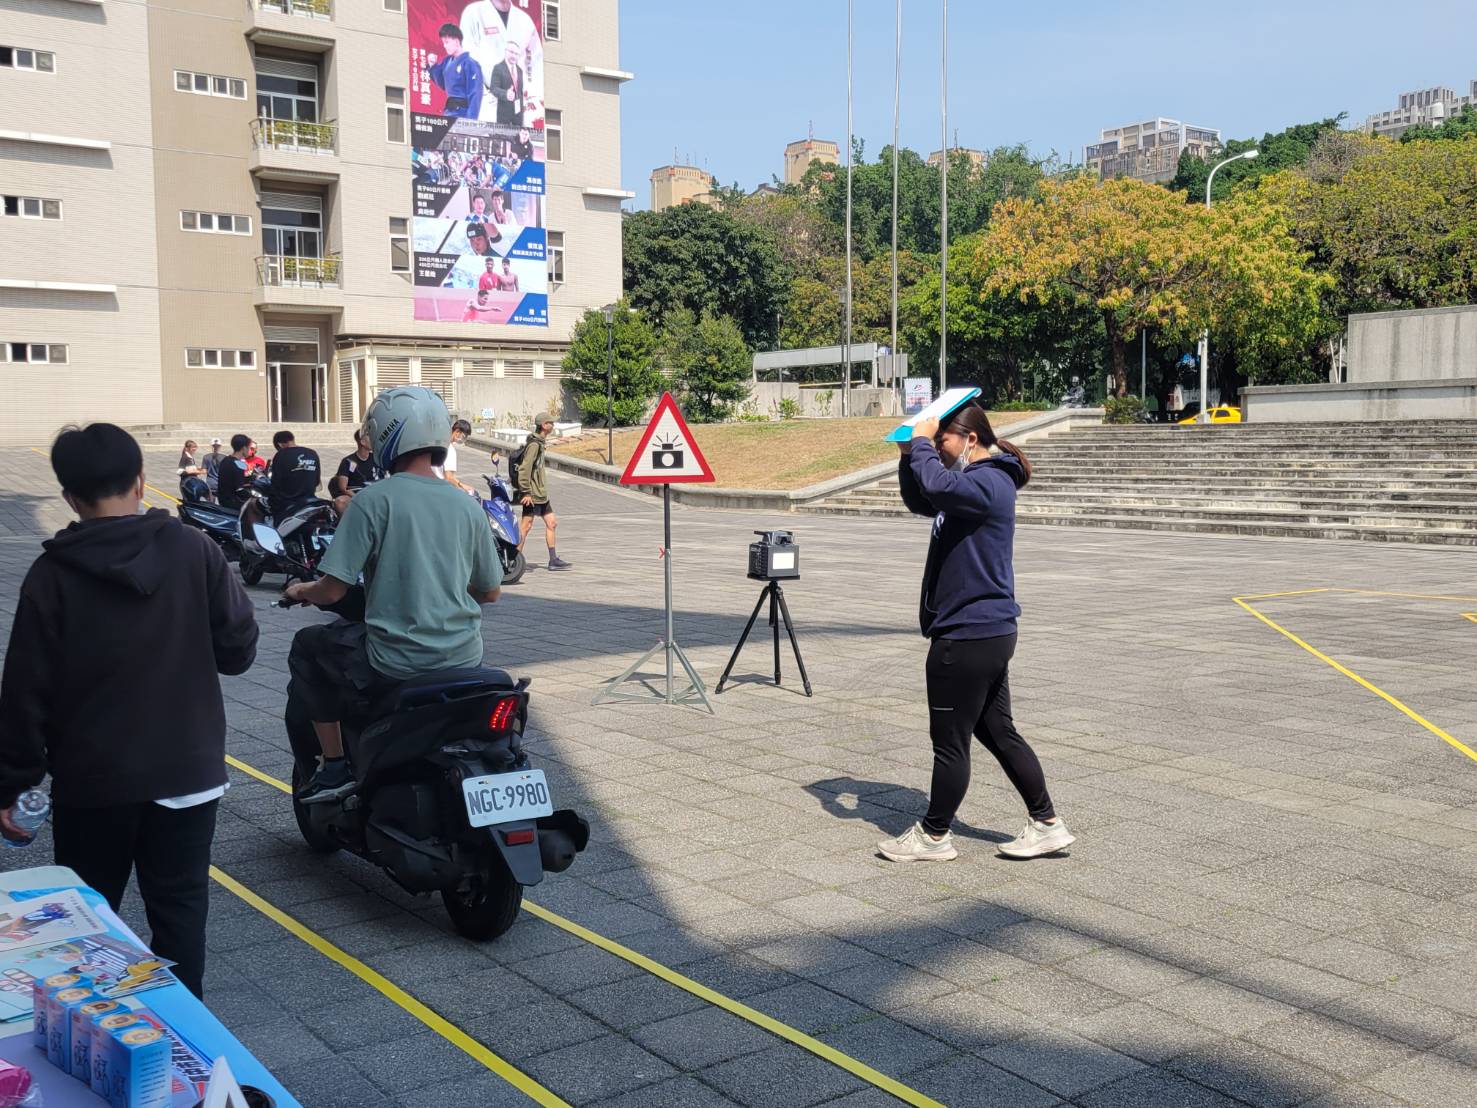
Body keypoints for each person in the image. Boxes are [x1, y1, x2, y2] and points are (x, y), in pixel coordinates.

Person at [0, 424, 258, 998]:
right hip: (187, 774)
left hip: (93, 782)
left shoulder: (52, 574)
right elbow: (238, 651)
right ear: (143, 481)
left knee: (89, 921)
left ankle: (97, 1044)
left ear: (69, 496)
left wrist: (13, 784)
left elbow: (23, 690)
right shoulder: (196, 549)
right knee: (180, 913)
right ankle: (185, 1056)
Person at [283, 388, 502, 802]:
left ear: (384, 435)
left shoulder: (372, 502)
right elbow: (490, 592)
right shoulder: (467, 505)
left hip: (395, 660)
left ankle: (333, 767)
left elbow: (332, 590)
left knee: (308, 646)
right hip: (464, 657)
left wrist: (300, 589)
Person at [877, 403, 1072, 863]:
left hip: (968, 634)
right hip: (985, 631)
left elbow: (939, 484)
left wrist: (922, 442)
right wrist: (911, 454)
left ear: (969, 438)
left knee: (949, 741)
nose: (939, 452)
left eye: (943, 442)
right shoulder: (976, 483)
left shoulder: (988, 482)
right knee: (998, 730)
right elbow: (924, 499)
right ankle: (1046, 823)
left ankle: (934, 835)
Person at [460, 0, 543, 124]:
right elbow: (468, 57)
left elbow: (536, 62)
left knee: (519, 137)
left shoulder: (524, 20)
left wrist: (532, 95)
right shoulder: (473, 13)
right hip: (486, 103)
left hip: (521, 104)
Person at [515, 413, 570, 570]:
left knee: (552, 523)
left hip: (541, 495)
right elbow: (524, 469)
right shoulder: (534, 445)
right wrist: (526, 492)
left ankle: (553, 560)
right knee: (525, 526)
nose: (552, 425)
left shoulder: (540, 442)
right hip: (532, 495)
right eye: (550, 423)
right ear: (543, 425)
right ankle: (514, 560)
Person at [425, 24, 483, 120]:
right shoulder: (447, 61)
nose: (444, 46)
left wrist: (471, 121)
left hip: (463, 113)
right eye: (443, 43)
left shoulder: (470, 64)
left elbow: (475, 94)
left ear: (456, 41)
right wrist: (432, 65)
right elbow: (442, 83)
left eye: (447, 42)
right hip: (449, 112)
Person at [266, 431, 322, 520]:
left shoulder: (281, 455)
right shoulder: (312, 453)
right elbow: (316, 480)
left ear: (280, 445)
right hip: (310, 500)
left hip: (288, 503)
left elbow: (276, 482)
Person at [329, 429, 386, 517]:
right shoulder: (348, 461)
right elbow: (343, 488)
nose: (374, 439)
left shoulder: (377, 458)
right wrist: (359, 498)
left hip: (376, 494)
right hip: (356, 496)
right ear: (362, 442)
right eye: (370, 437)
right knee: (340, 502)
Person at [486, 42, 525, 126]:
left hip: (518, 114)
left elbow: (520, 92)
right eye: (511, 52)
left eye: (516, 54)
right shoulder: (498, 68)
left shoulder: (520, 70)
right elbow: (493, 88)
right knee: (503, 137)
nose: (514, 56)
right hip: (504, 114)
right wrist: (506, 94)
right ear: (505, 51)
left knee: (518, 138)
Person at [215, 434, 254, 511]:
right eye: (249, 448)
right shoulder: (239, 464)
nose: (249, 451)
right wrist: (254, 497)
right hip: (234, 503)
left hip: (223, 500)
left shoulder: (225, 460)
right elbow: (239, 489)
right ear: (244, 448)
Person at [439, 419, 478, 495]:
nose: (464, 439)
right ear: (457, 431)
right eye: (464, 436)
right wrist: (462, 486)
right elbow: (449, 477)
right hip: (441, 491)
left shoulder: (440, 442)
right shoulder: (449, 449)